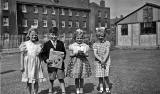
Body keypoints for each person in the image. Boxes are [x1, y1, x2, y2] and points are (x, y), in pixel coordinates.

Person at [19, 25, 46, 94]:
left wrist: (41, 66)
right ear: (29, 35)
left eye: (35, 35)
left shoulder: (39, 44)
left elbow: (40, 57)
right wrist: (22, 66)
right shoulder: (25, 44)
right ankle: (30, 92)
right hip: (28, 65)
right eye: (32, 35)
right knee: (29, 81)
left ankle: (35, 92)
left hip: (36, 64)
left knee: (36, 80)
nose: (34, 36)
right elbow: (22, 55)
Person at [40, 27, 66, 94]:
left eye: (55, 35)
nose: (54, 36)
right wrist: (46, 59)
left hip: (60, 65)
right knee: (51, 79)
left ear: (58, 35)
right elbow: (43, 54)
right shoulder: (46, 44)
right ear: (49, 35)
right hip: (51, 65)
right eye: (52, 34)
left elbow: (64, 52)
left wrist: (63, 57)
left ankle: (63, 91)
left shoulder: (61, 43)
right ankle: (50, 91)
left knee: (61, 78)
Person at [66, 29, 92, 94]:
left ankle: (81, 89)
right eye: (78, 38)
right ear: (75, 38)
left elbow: (87, 54)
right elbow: (70, 55)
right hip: (75, 62)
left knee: (82, 77)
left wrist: (84, 54)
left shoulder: (85, 46)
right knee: (77, 77)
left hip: (83, 62)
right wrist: (75, 53)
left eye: (81, 38)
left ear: (83, 38)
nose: (79, 39)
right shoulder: (72, 46)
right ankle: (77, 89)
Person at [92, 27, 112, 93]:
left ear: (104, 36)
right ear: (97, 36)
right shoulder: (95, 44)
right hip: (98, 61)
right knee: (100, 76)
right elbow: (95, 53)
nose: (101, 37)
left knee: (106, 76)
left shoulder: (107, 43)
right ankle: (101, 89)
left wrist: (104, 59)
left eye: (102, 36)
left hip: (106, 61)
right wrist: (100, 59)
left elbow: (107, 52)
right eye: (99, 36)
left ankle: (107, 88)